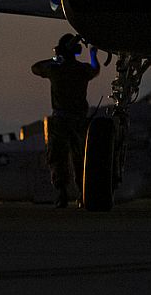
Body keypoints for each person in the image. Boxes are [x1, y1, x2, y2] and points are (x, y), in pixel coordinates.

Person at [31, 33, 100, 208]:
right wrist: (93, 55)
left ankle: (62, 194)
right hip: (78, 121)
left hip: (60, 120)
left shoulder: (55, 69)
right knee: (80, 158)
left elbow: (35, 68)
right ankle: (83, 194)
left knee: (58, 158)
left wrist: (55, 59)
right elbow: (95, 69)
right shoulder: (82, 69)